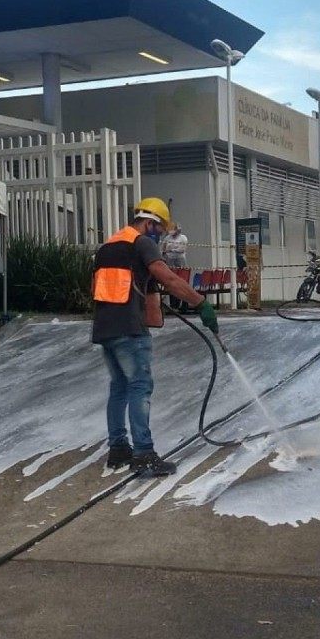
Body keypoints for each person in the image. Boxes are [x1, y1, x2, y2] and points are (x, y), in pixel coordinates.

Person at [92, 197, 218, 478]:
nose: (160, 235)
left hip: (105, 328)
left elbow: (117, 286)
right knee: (140, 387)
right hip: (129, 329)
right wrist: (201, 303)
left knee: (119, 388)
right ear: (149, 223)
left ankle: (119, 450)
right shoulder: (142, 243)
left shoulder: (108, 246)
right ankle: (144, 454)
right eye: (160, 229)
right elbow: (170, 279)